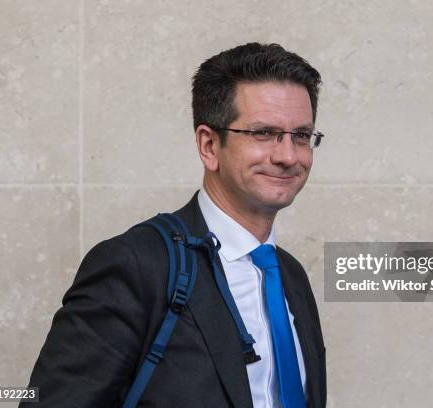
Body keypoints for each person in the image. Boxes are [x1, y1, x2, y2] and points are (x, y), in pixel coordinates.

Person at [22, 42, 326, 408]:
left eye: (301, 136)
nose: (288, 156)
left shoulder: (289, 275)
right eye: (263, 133)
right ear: (209, 145)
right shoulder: (136, 265)